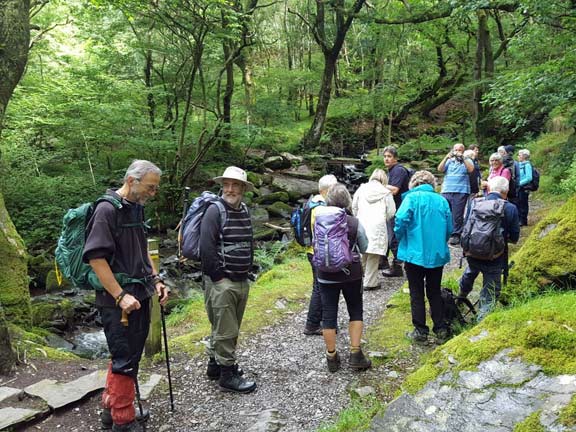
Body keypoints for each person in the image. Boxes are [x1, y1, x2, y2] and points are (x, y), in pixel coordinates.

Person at [83, 160, 169, 432]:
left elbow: (143, 249)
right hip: (117, 302)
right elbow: (96, 258)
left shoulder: (135, 209)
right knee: (125, 358)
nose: (153, 194)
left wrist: (156, 280)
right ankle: (123, 420)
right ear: (132, 180)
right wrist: (120, 296)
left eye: (155, 189)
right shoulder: (106, 210)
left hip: (140, 294)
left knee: (128, 355)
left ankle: (112, 407)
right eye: (150, 188)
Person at [199, 166, 257, 393]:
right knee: (227, 330)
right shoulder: (215, 211)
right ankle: (227, 375)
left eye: (235, 185)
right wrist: (219, 278)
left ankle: (214, 365)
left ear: (243, 188)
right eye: (226, 185)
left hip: (241, 279)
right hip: (222, 282)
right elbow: (206, 248)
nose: (230, 189)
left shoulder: (243, 209)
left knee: (224, 325)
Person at [316, 183, 371, 372]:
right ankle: (355, 354)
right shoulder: (354, 222)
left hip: (325, 274)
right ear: (347, 201)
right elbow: (364, 247)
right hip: (351, 274)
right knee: (355, 311)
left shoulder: (319, 220)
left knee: (328, 314)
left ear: (328, 200)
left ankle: (331, 357)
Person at [394, 170, 452, 344]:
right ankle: (440, 328)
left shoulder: (411, 199)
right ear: (432, 184)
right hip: (436, 254)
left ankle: (420, 331)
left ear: (414, 184)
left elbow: (399, 220)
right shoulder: (442, 200)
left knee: (416, 291)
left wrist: (401, 237)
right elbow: (450, 228)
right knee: (434, 290)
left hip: (414, 254)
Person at [459, 176, 520, 321]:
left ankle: (461, 296)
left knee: (471, 271)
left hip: (472, 251)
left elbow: (467, 225)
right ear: (506, 191)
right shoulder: (510, 208)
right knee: (490, 290)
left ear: (489, 188)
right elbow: (515, 237)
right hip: (495, 256)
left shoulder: (475, 202)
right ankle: (481, 323)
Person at [303, 174, 338, 335]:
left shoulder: (311, 202)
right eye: (334, 187)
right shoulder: (320, 208)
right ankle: (312, 324)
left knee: (318, 286)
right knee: (320, 288)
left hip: (311, 250)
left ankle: (322, 321)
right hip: (318, 252)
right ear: (328, 189)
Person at [352, 169, 396, 290]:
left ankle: (357, 278)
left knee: (362, 252)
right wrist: (383, 218)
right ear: (384, 180)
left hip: (361, 223)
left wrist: (358, 216)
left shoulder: (361, 189)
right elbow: (392, 211)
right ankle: (370, 282)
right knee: (373, 255)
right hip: (377, 226)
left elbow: (353, 206)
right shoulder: (386, 193)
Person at [381, 146, 410, 277]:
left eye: (389, 156)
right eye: (385, 156)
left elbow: (394, 190)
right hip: (393, 208)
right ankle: (383, 261)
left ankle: (397, 266)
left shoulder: (398, 170)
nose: (386, 159)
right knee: (388, 236)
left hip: (398, 209)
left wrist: (377, 185)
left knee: (394, 237)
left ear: (395, 158)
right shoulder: (391, 170)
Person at [438, 143, 475, 245]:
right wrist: (446, 157)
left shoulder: (467, 160)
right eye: (456, 150)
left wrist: (462, 158)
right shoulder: (449, 160)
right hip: (446, 190)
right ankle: (445, 233)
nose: (457, 152)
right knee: (445, 212)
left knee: (457, 214)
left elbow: (471, 169)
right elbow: (440, 169)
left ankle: (456, 234)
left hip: (461, 190)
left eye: (460, 150)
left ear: (463, 151)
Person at [517, 149, 534, 226]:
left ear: (524, 156)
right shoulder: (519, 164)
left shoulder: (527, 165)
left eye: (519, 155)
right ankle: (519, 219)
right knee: (518, 203)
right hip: (518, 187)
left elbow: (529, 178)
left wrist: (519, 183)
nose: (518, 156)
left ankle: (523, 220)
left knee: (523, 204)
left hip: (524, 188)